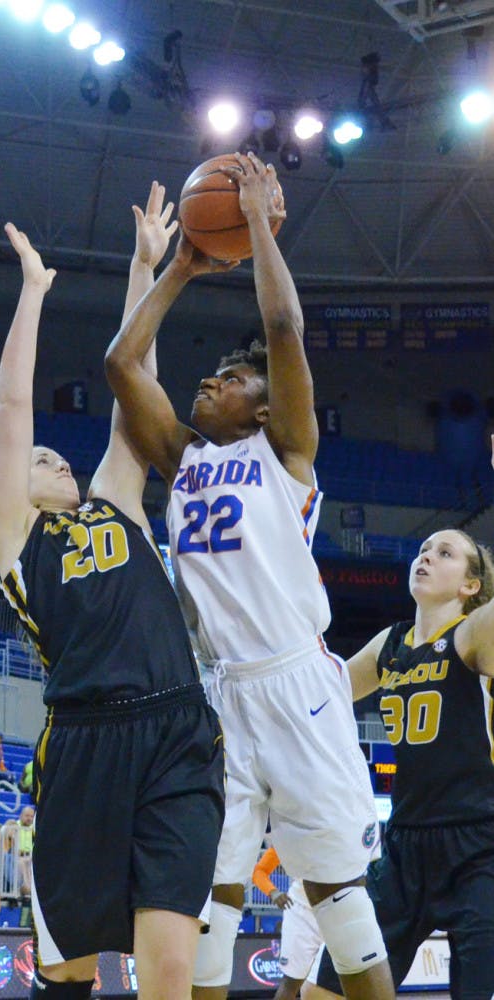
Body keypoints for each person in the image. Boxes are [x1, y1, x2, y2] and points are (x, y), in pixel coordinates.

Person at [104, 155, 393, 1000]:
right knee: (212, 890)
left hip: (299, 681)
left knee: (334, 892)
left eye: (229, 380)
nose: (209, 380)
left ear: (263, 409)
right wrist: (181, 269)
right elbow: (123, 365)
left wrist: (259, 227)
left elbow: (282, 332)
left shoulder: (285, 457)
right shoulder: (182, 460)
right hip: (222, 688)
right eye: (212, 374)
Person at [0, 187, 224, 1000]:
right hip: (84, 742)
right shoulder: (13, 540)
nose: (52, 462)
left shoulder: (117, 500)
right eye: (39, 459)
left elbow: (136, 381)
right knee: (70, 969)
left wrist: (143, 268)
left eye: (60, 457)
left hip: (176, 724)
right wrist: (32, 293)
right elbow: (12, 405)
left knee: (167, 965)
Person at [303, 525, 494, 1000]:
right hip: (404, 849)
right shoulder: (391, 645)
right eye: (424, 549)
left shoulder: (472, 632)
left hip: (479, 844)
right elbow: (320, 698)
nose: (426, 556)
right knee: (323, 993)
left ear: (471, 585)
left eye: (445, 553)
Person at [253, 846, 321, 1000]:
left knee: (335, 982)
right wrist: (273, 892)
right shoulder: (289, 833)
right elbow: (259, 871)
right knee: (291, 983)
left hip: (334, 911)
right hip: (300, 911)